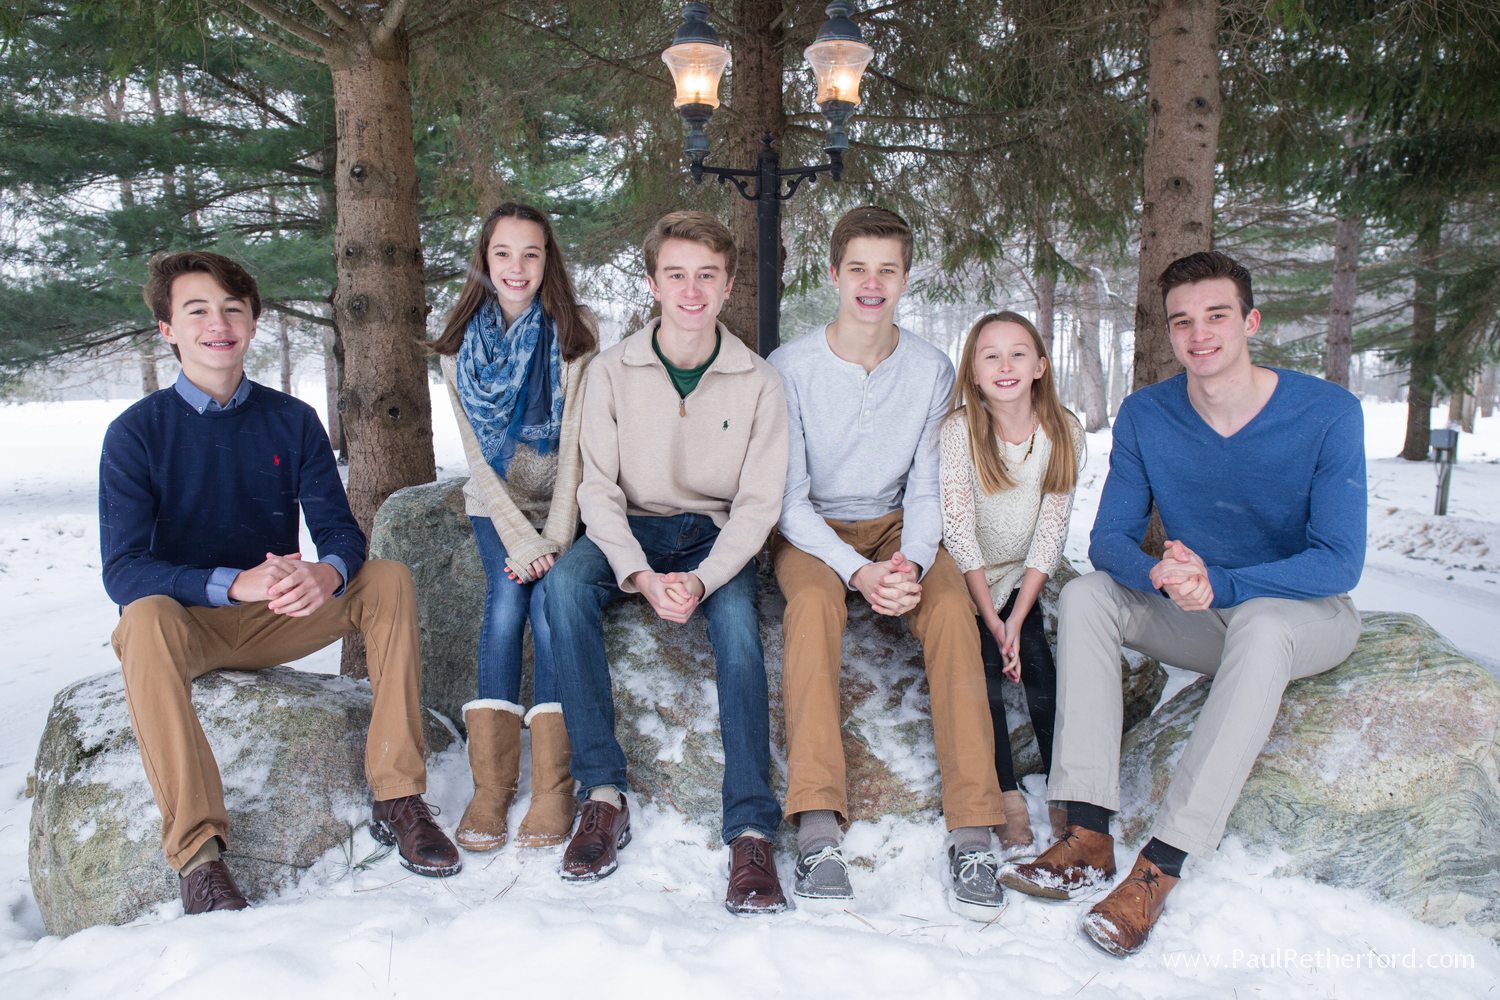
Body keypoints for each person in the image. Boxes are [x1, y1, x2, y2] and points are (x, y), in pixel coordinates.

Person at [999, 251, 1366, 957]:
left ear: (1251, 321)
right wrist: (1163, 574)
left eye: (1218, 316)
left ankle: (1160, 867)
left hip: (1305, 617)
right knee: (1090, 597)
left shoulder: (1327, 413)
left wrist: (1220, 584)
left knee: (1259, 624)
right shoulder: (1148, 414)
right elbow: (1109, 539)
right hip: (1199, 615)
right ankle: (1087, 832)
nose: (1201, 335)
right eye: (1183, 322)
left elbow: (1338, 561)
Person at [101, 251, 460, 916]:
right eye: (197, 311)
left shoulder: (289, 420)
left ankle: (399, 799)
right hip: (189, 626)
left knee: (384, 579)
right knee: (142, 616)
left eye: (234, 309)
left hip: (277, 615)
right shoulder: (135, 435)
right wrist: (232, 583)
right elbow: (122, 570)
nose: (219, 324)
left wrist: (324, 574)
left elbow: (342, 534)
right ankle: (200, 859)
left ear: (253, 323)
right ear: (166, 329)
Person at [545, 211, 790, 914]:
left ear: (729, 285)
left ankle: (749, 828)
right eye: (676, 274)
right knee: (564, 591)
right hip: (634, 530)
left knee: (739, 630)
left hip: (714, 538)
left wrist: (707, 579)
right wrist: (640, 576)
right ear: (653, 283)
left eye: (707, 276)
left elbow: (758, 503)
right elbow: (597, 486)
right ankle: (601, 793)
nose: (692, 289)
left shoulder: (758, 380)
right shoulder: (613, 370)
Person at [769, 206, 1007, 921]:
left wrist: (907, 563)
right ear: (835, 275)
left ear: (906, 278)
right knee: (812, 610)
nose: (872, 284)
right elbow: (788, 499)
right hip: (814, 534)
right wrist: (856, 573)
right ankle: (816, 824)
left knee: (952, 614)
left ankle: (973, 828)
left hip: (904, 529)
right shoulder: (792, 367)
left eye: (888, 270)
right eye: (859, 269)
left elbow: (930, 484)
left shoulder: (931, 368)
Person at [431, 203, 597, 853]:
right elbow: (476, 459)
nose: (517, 267)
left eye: (531, 253)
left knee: (552, 612)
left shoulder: (575, 335)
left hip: (562, 504)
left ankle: (554, 788)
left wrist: (553, 541)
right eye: (503, 253)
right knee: (505, 609)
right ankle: (492, 788)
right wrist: (520, 540)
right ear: (485, 259)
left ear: (548, 260)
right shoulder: (456, 346)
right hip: (496, 507)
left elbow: (579, 448)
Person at [939, 311, 1083, 860]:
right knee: (984, 667)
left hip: (1025, 572)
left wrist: (1018, 617)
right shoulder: (959, 432)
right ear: (973, 372)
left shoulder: (1061, 432)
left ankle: (1065, 787)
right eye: (989, 355)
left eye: (1018, 353)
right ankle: (1006, 793)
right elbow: (958, 528)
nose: (1005, 365)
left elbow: (1051, 531)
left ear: (1041, 366)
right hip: (968, 571)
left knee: (1039, 659)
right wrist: (991, 617)